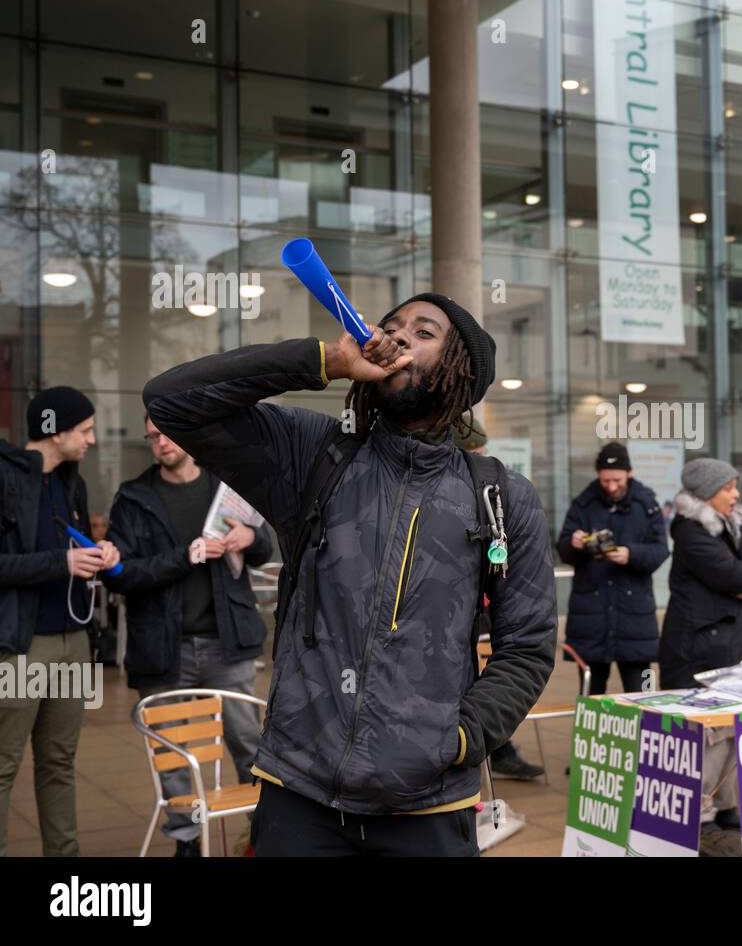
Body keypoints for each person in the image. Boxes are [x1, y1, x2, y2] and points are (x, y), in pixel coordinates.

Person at [143, 292, 557, 856]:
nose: (398, 335)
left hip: (429, 806)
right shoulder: (314, 456)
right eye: (391, 326)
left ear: (462, 371)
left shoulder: (502, 497)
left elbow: (527, 647)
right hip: (300, 795)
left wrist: (457, 739)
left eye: (424, 331)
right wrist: (322, 361)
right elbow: (172, 400)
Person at [103, 416, 273, 856]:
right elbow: (122, 576)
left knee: (246, 741)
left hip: (226, 640)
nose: (161, 442)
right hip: (164, 645)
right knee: (173, 749)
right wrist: (185, 556)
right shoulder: (134, 499)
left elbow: (265, 547)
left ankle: (263, 831)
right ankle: (187, 839)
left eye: (167, 433)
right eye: (153, 436)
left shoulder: (225, 486)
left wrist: (248, 536)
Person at [0, 387, 120, 857]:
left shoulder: (73, 482)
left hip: (74, 641)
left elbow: (74, 548)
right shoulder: (6, 477)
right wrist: (60, 564)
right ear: (54, 431)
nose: (92, 439)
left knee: (59, 762)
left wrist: (99, 554)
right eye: (85, 430)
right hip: (23, 645)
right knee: (5, 764)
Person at [659, 458, 742, 828]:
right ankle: (700, 814)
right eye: (728, 488)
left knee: (733, 729)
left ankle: (726, 805)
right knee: (706, 734)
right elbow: (731, 575)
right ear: (708, 494)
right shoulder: (691, 530)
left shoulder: (733, 524)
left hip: (733, 644)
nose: (735, 494)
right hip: (699, 650)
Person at [452, 416, 544, 782]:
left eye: (484, 452)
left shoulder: (497, 498)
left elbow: (529, 646)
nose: (483, 461)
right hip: (457, 624)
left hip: (489, 616)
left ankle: (499, 748)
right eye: (475, 453)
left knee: (494, 683)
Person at [556, 442, 669, 695]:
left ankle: (641, 736)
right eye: (605, 480)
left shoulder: (646, 502)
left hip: (636, 619)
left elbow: (661, 550)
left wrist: (631, 554)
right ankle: (589, 737)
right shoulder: (583, 503)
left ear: (629, 473)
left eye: (617, 479)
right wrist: (573, 544)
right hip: (591, 618)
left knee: (643, 696)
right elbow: (563, 549)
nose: (611, 486)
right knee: (590, 699)